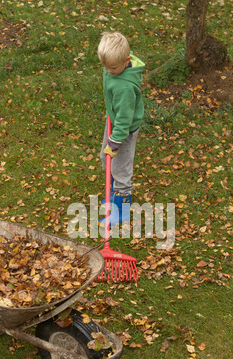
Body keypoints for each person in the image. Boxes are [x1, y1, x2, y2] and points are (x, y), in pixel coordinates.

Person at [97, 32, 145, 227]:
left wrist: (115, 142)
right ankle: (112, 193)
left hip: (123, 130)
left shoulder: (124, 88)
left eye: (113, 67)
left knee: (120, 169)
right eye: (105, 66)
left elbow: (125, 120)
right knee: (104, 158)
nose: (108, 71)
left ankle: (121, 210)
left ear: (126, 61)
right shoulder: (115, 64)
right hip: (115, 121)